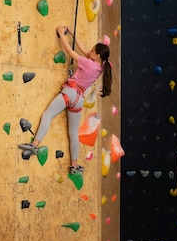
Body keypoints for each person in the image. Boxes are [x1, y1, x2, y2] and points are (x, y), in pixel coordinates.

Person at [18, 25, 112, 173]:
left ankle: (35, 145)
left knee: (47, 115)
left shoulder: (88, 64)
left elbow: (70, 51)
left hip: (70, 93)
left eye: (93, 51)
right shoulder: (102, 67)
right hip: (79, 99)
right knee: (73, 133)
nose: (90, 51)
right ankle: (74, 166)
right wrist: (73, 33)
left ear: (98, 56)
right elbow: (85, 51)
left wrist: (62, 34)